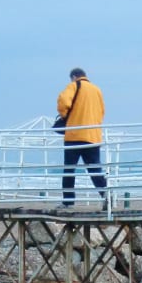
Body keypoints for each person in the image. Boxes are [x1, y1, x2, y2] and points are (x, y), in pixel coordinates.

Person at [56, 68, 106, 207]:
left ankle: (68, 201)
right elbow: (102, 112)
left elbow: (64, 101)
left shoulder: (74, 85)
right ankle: (106, 195)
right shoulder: (97, 90)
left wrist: (64, 115)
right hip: (93, 135)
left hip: (75, 134)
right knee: (95, 168)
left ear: (73, 76)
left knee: (69, 169)